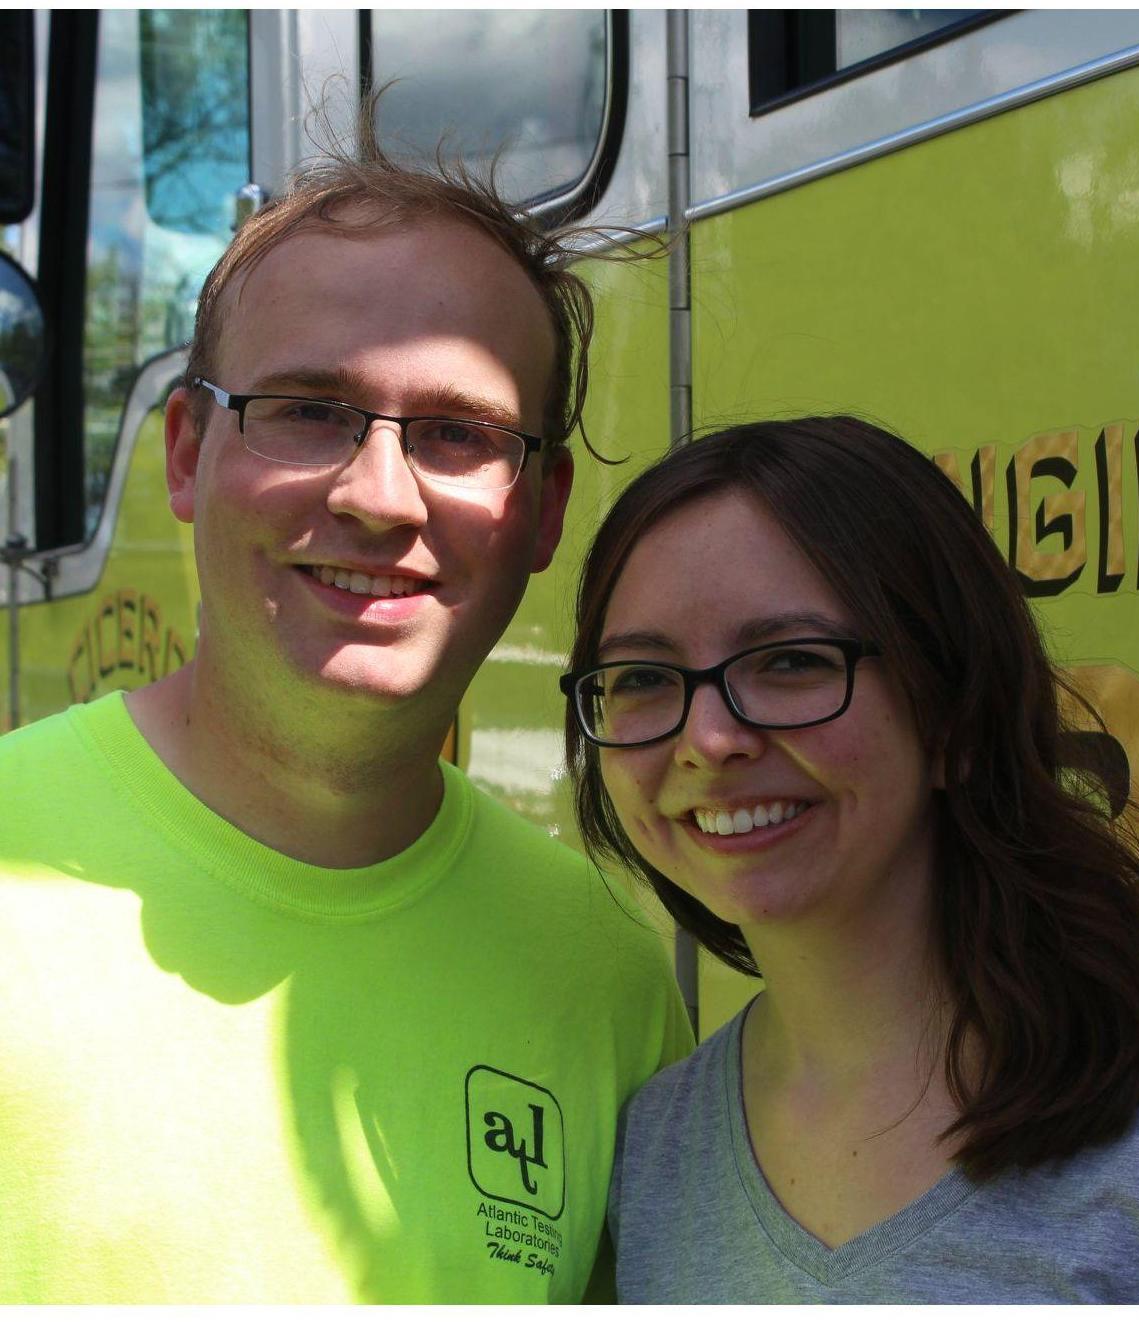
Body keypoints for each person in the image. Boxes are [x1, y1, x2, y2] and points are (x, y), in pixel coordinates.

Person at [0, 142, 691, 1304]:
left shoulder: (606, 978)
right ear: (184, 452)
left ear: (542, 514)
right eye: (309, 410)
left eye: (458, 434)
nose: (377, 496)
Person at [559, 416, 1139, 1304]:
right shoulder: (655, 1145)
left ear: (954, 713)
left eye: (793, 661)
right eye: (643, 679)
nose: (710, 738)